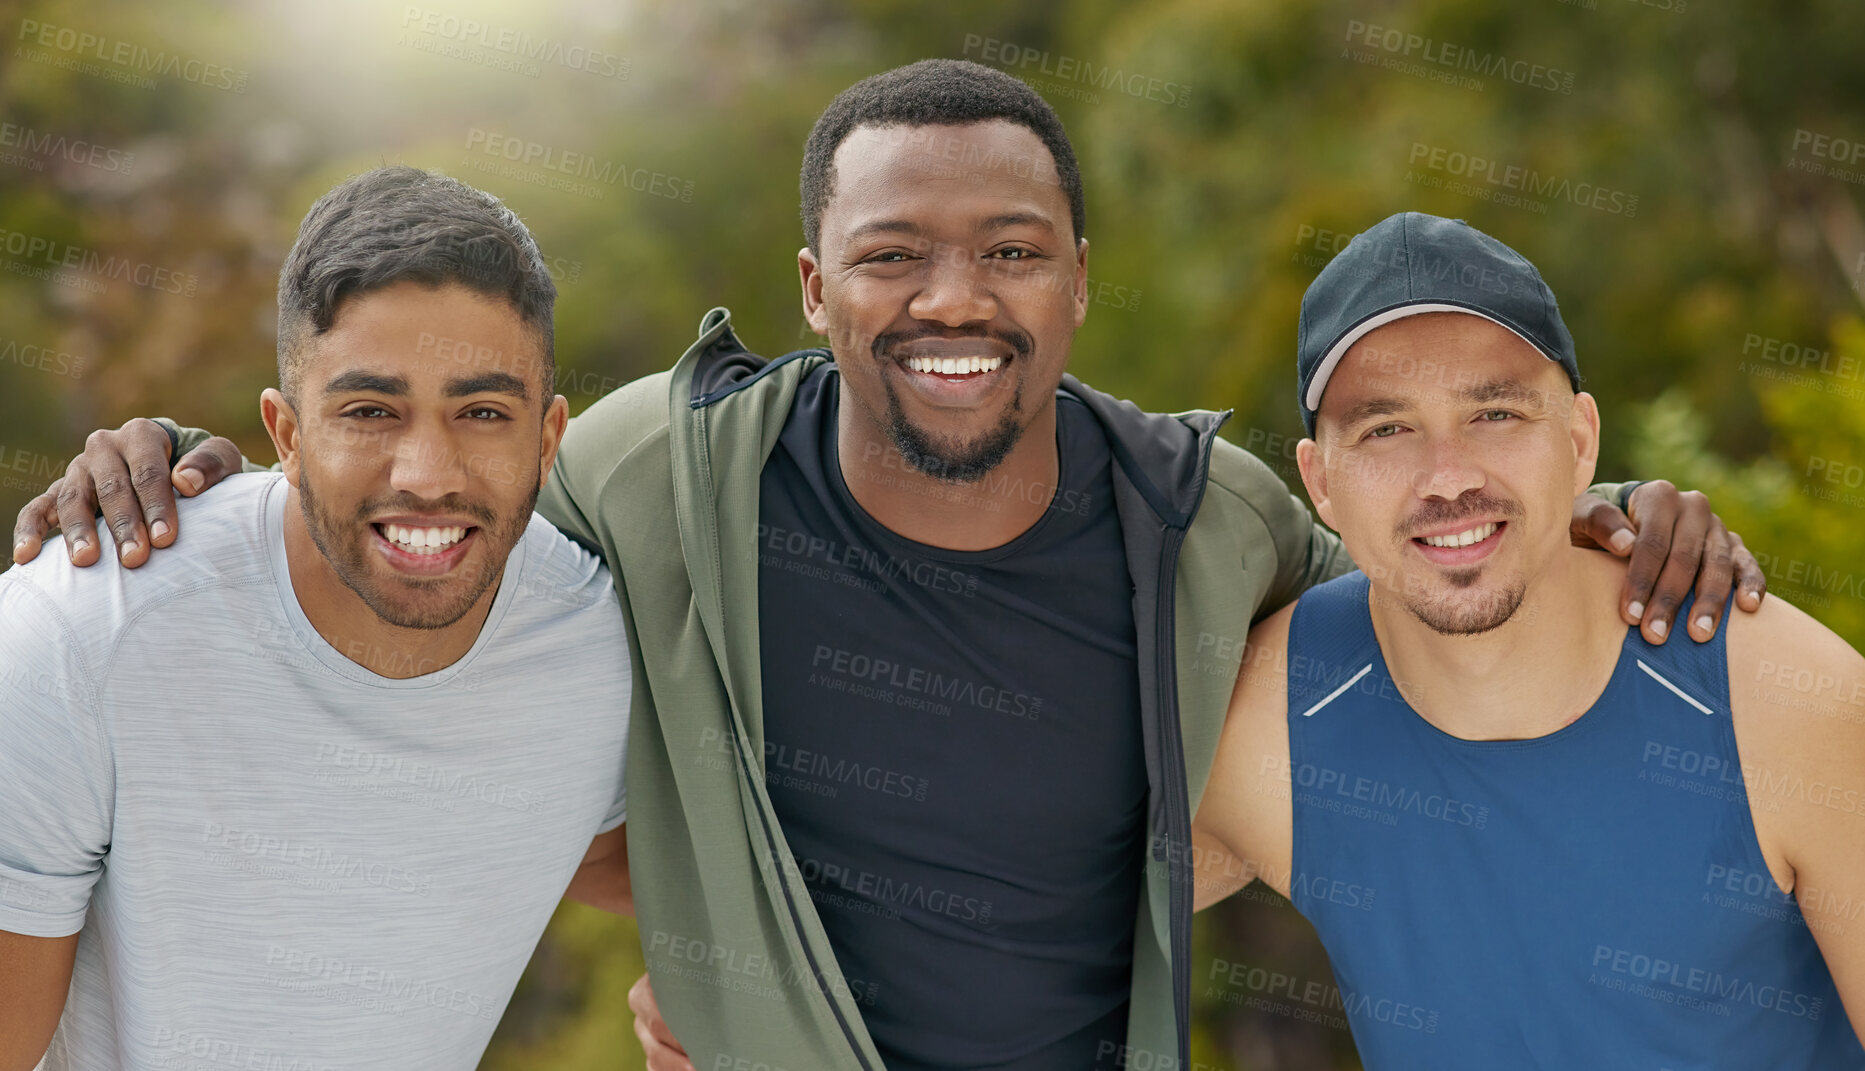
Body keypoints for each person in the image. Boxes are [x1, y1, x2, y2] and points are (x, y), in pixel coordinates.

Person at [11, 63, 1765, 1071]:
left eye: (1009, 249)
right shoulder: (643, 468)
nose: (952, 296)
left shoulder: (1218, 521)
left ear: (1077, 278)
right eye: (892, 252)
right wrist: (193, 480)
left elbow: (1448, 576)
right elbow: (418, 562)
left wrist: (1628, 513)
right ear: (812, 284)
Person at [1190, 212, 1865, 1067]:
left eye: (1496, 413)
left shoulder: (1785, 700)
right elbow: (1042, 924)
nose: (1448, 475)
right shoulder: (1268, 721)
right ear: (1319, 482)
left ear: (1579, 439)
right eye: (1385, 429)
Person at [0, 167, 634, 1071]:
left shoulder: (595, 650)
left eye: (483, 411)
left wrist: (712, 1008)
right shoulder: (82, 636)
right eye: (370, 410)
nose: (426, 471)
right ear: (287, 435)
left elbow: (668, 873)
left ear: (548, 436)